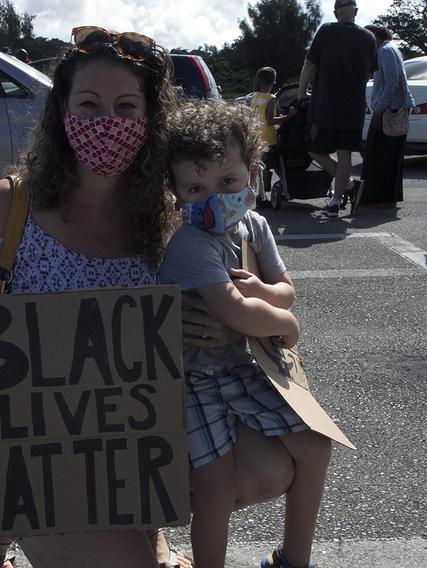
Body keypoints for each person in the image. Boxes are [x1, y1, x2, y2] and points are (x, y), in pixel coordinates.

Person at [0, 26, 295, 568]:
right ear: (60, 111)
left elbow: (236, 293)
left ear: (150, 118)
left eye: (125, 106)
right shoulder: (9, 205)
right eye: (88, 104)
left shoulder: (174, 210)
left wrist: (230, 323)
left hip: (137, 438)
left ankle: (142, 527)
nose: (105, 121)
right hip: (39, 459)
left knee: (269, 466)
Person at [159, 99, 333, 568]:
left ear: (252, 174)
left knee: (316, 445)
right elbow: (234, 313)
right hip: (192, 382)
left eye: (227, 181)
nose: (214, 198)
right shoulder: (191, 243)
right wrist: (285, 323)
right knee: (215, 488)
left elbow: (285, 290)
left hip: (245, 368)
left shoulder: (254, 225)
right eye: (196, 187)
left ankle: (293, 558)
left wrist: (268, 296)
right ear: (174, 190)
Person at [296, 0, 376, 217]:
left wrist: (302, 92)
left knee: (314, 149)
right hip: (353, 106)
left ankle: (348, 186)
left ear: (336, 12)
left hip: (326, 104)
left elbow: (310, 63)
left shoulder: (327, 30)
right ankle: (337, 199)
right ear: (356, 12)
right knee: (345, 154)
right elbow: (370, 74)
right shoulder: (369, 38)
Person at [360, 25, 414, 209]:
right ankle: (384, 197)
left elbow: (392, 84)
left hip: (389, 111)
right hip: (392, 109)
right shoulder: (389, 50)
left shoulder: (385, 52)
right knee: (387, 156)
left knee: (379, 156)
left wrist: (378, 110)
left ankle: (377, 198)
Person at [248, 67, 297, 196]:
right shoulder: (271, 99)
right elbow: (270, 121)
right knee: (273, 165)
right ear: (274, 81)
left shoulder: (254, 97)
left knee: (256, 167)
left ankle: (255, 194)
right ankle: (272, 191)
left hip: (256, 138)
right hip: (269, 140)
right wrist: (289, 116)